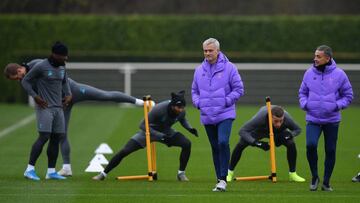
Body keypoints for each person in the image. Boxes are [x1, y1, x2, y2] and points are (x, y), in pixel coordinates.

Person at [4, 60, 147, 177]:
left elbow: (59, 73)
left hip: (73, 90)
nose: (19, 79)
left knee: (105, 96)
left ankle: (139, 102)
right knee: (62, 134)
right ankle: (66, 168)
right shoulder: (26, 81)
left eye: (18, 76)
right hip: (60, 104)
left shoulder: (37, 64)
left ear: (19, 70)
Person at [92, 90, 198, 181]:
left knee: (187, 143)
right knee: (125, 151)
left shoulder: (181, 112)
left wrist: (190, 129)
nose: (180, 110)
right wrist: (159, 135)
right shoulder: (159, 109)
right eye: (178, 107)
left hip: (166, 132)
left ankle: (181, 174)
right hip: (148, 131)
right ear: (172, 105)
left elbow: (183, 120)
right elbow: (142, 125)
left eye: (182, 107)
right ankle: (103, 174)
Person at [191, 38, 244, 191]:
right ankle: (219, 179)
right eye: (205, 50)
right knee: (215, 147)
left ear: (218, 51)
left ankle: (223, 179)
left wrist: (226, 101)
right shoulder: (199, 70)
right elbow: (194, 91)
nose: (207, 53)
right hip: (207, 115)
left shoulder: (230, 68)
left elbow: (239, 89)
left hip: (225, 113)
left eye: (210, 50)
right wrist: (198, 103)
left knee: (222, 142)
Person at [299, 45, 353, 191]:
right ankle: (315, 176)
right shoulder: (309, 73)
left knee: (330, 150)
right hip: (313, 119)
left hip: (332, 120)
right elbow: (302, 92)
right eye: (315, 56)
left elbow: (348, 96)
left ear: (327, 58)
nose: (315, 59)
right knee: (310, 145)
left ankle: (326, 182)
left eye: (318, 56)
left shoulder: (340, 74)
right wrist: (305, 104)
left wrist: (336, 105)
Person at [19, 41, 72, 180]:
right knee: (44, 136)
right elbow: (25, 81)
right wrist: (35, 96)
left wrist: (68, 94)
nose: (65, 58)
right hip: (45, 108)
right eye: (63, 56)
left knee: (56, 138)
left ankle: (51, 172)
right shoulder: (41, 66)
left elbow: (65, 81)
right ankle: (29, 170)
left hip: (58, 108)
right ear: (54, 54)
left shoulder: (62, 66)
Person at [226, 105, 306, 182]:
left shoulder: (287, 118)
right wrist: (257, 143)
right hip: (260, 131)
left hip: (279, 133)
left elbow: (297, 129)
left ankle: (292, 174)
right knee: (241, 143)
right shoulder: (260, 118)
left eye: (281, 121)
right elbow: (242, 131)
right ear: (270, 116)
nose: (278, 124)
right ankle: (229, 172)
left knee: (291, 143)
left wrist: (288, 136)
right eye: (276, 121)